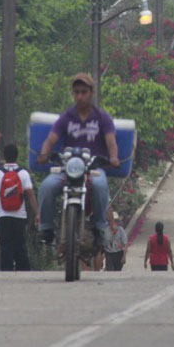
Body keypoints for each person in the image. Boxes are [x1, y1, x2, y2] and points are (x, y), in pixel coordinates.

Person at [36, 73, 120, 248]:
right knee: (47, 186)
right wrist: (44, 154)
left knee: (100, 186)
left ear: (91, 93)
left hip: (92, 168)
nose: (80, 96)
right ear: (73, 94)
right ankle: (47, 229)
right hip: (68, 168)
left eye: (84, 92)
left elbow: (111, 142)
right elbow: (51, 140)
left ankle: (99, 228)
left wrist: (113, 158)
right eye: (76, 92)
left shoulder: (102, 118)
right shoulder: (66, 117)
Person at [0, 144, 39, 271]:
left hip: (3, 216)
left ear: (4, 156)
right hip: (20, 216)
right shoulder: (23, 173)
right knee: (20, 246)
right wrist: (37, 213)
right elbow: (30, 194)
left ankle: (6, 273)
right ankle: (24, 273)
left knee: (5, 246)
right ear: (17, 156)